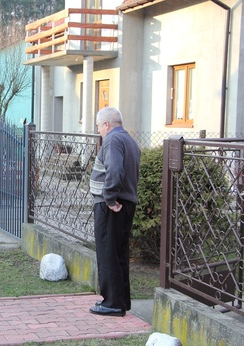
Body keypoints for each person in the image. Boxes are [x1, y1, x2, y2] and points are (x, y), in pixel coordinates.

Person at [88, 107, 140, 317]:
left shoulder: (112, 140)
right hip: (126, 203)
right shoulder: (130, 141)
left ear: (107, 124)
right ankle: (120, 301)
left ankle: (111, 303)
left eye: (99, 126)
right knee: (119, 254)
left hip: (113, 205)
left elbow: (116, 170)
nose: (99, 130)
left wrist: (109, 198)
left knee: (108, 253)